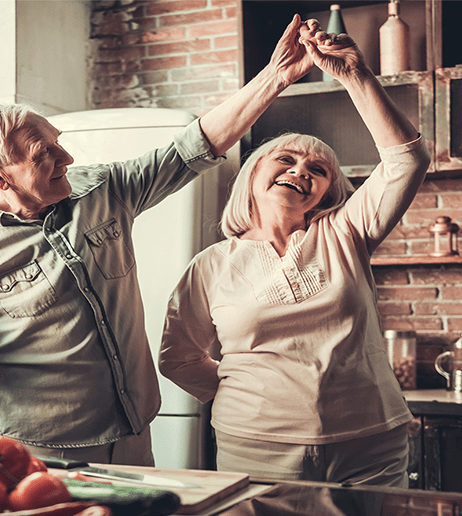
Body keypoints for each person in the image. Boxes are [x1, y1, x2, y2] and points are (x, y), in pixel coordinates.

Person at [0, 15, 318, 465]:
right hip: (40, 451)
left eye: (59, 143)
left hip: (134, 431)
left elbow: (193, 146)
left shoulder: (99, 190)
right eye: (44, 154)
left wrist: (276, 76)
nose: (66, 158)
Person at [158, 22, 431, 485]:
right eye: (286, 159)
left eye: (318, 170)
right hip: (255, 447)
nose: (301, 170)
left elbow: (406, 160)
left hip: (369, 443)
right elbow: (177, 358)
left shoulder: (345, 231)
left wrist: (355, 75)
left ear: (326, 193)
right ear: (252, 175)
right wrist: (246, 396)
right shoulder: (210, 266)